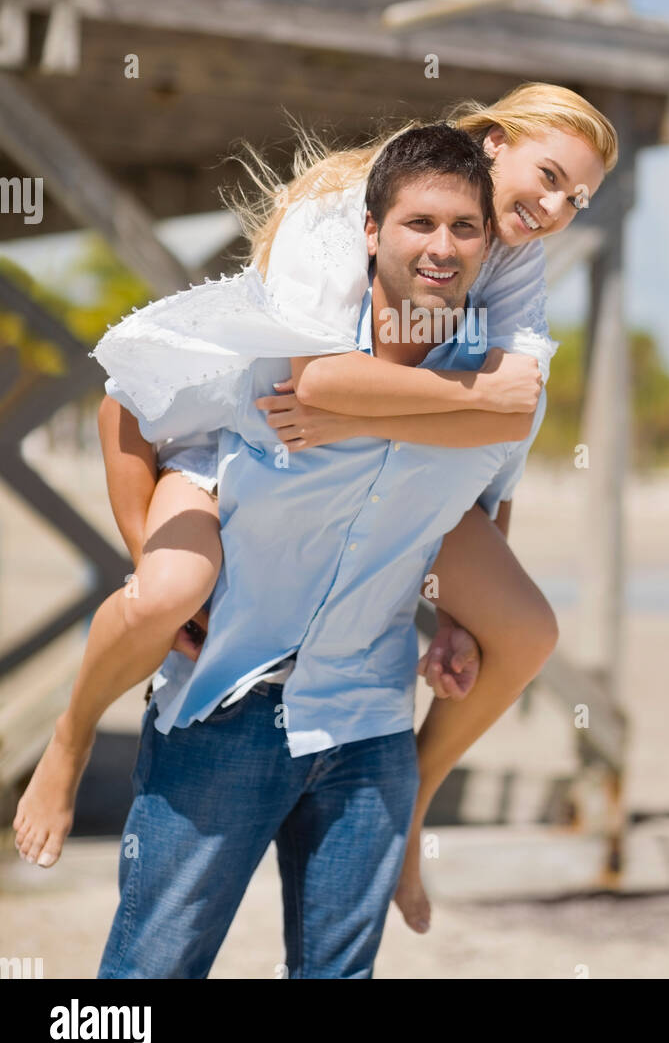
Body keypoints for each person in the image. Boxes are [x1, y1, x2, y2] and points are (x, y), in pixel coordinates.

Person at [14, 83, 617, 937]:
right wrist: (369, 401)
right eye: (549, 175)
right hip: (216, 439)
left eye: (577, 197)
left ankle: (415, 805)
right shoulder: (339, 211)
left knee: (525, 633)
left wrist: (455, 616)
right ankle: (70, 742)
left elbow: (511, 429)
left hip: (394, 476)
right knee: (167, 590)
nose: (556, 206)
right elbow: (315, 381)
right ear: (491, 142)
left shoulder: (513, 256)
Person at [97, 123, 554, 978]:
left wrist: (457, 619)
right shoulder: (281, 356)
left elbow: (484, 504)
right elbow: (129, 398)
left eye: (466, 229)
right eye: (420, 224)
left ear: (490, 246)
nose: (443, 247)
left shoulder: (498, 389)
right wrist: (150, 561)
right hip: (226, 711)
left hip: (371, 723)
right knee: (150, 976)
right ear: (372, 233)